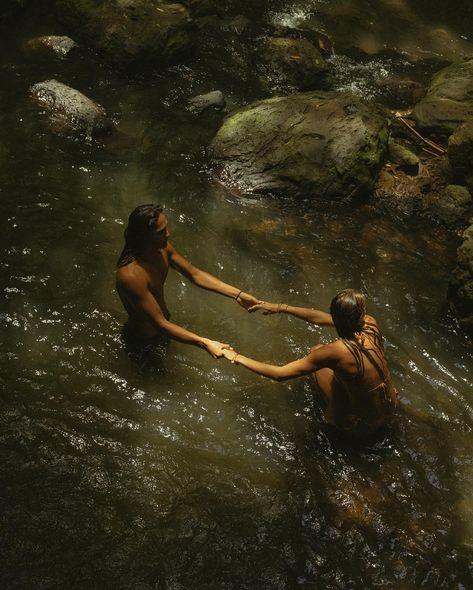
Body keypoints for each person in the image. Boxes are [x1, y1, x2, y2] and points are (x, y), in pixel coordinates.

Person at [222, 289, 398, 437]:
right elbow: (319, 318)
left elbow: (279, 374)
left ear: (336, 318)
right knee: (336, 370)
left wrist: (237, 357)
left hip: (363, 428)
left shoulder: (335, 352)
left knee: (315, 353)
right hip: (391, 408)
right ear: (360, 316)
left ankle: (337, 424)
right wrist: (281, 308)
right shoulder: (370, 324)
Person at [116, 203, 259, 358]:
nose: (168, 234)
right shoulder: (130, 276)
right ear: (144, 237)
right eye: (161, 232)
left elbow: (194, 274)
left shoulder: (163, 249)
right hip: (143, 342)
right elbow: (159, 323)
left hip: (165, 327)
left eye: (166, 228)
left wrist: (238, 294)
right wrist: (204, 343)